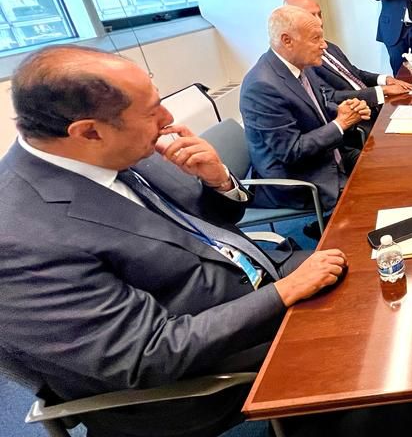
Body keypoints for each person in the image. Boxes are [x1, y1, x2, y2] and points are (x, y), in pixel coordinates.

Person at [0, 45, 348, 437]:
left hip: (255, 279)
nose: (167, 119)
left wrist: (219, 181)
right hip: (201, 370)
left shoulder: (123, 148)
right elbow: (150, 355)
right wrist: (283, 293)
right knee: (363, 367)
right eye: (152, 111)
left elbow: (215, 226)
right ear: (89, 132)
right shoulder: (17, 238)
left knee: (373, 272)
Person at [240, 6, 371, 214]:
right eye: (315, 38)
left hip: (329, 157)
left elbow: (316, 109)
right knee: (373, 199)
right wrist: (341, 123)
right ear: (287, 41)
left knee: (385, 168)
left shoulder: (302, 66)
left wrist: (344, 110)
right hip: (301, 177)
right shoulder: (262, 86)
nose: (324, 45)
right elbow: (291, 151)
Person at [284, 0, 412, 129]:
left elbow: (354, 73)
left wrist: (385, 79)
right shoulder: (303, 59)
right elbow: (330, 97)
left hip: (377, 106)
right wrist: (381, 91)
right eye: (311, 16)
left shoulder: (329, 46)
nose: (319, 22)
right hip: (359, 121)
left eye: (319, 14)